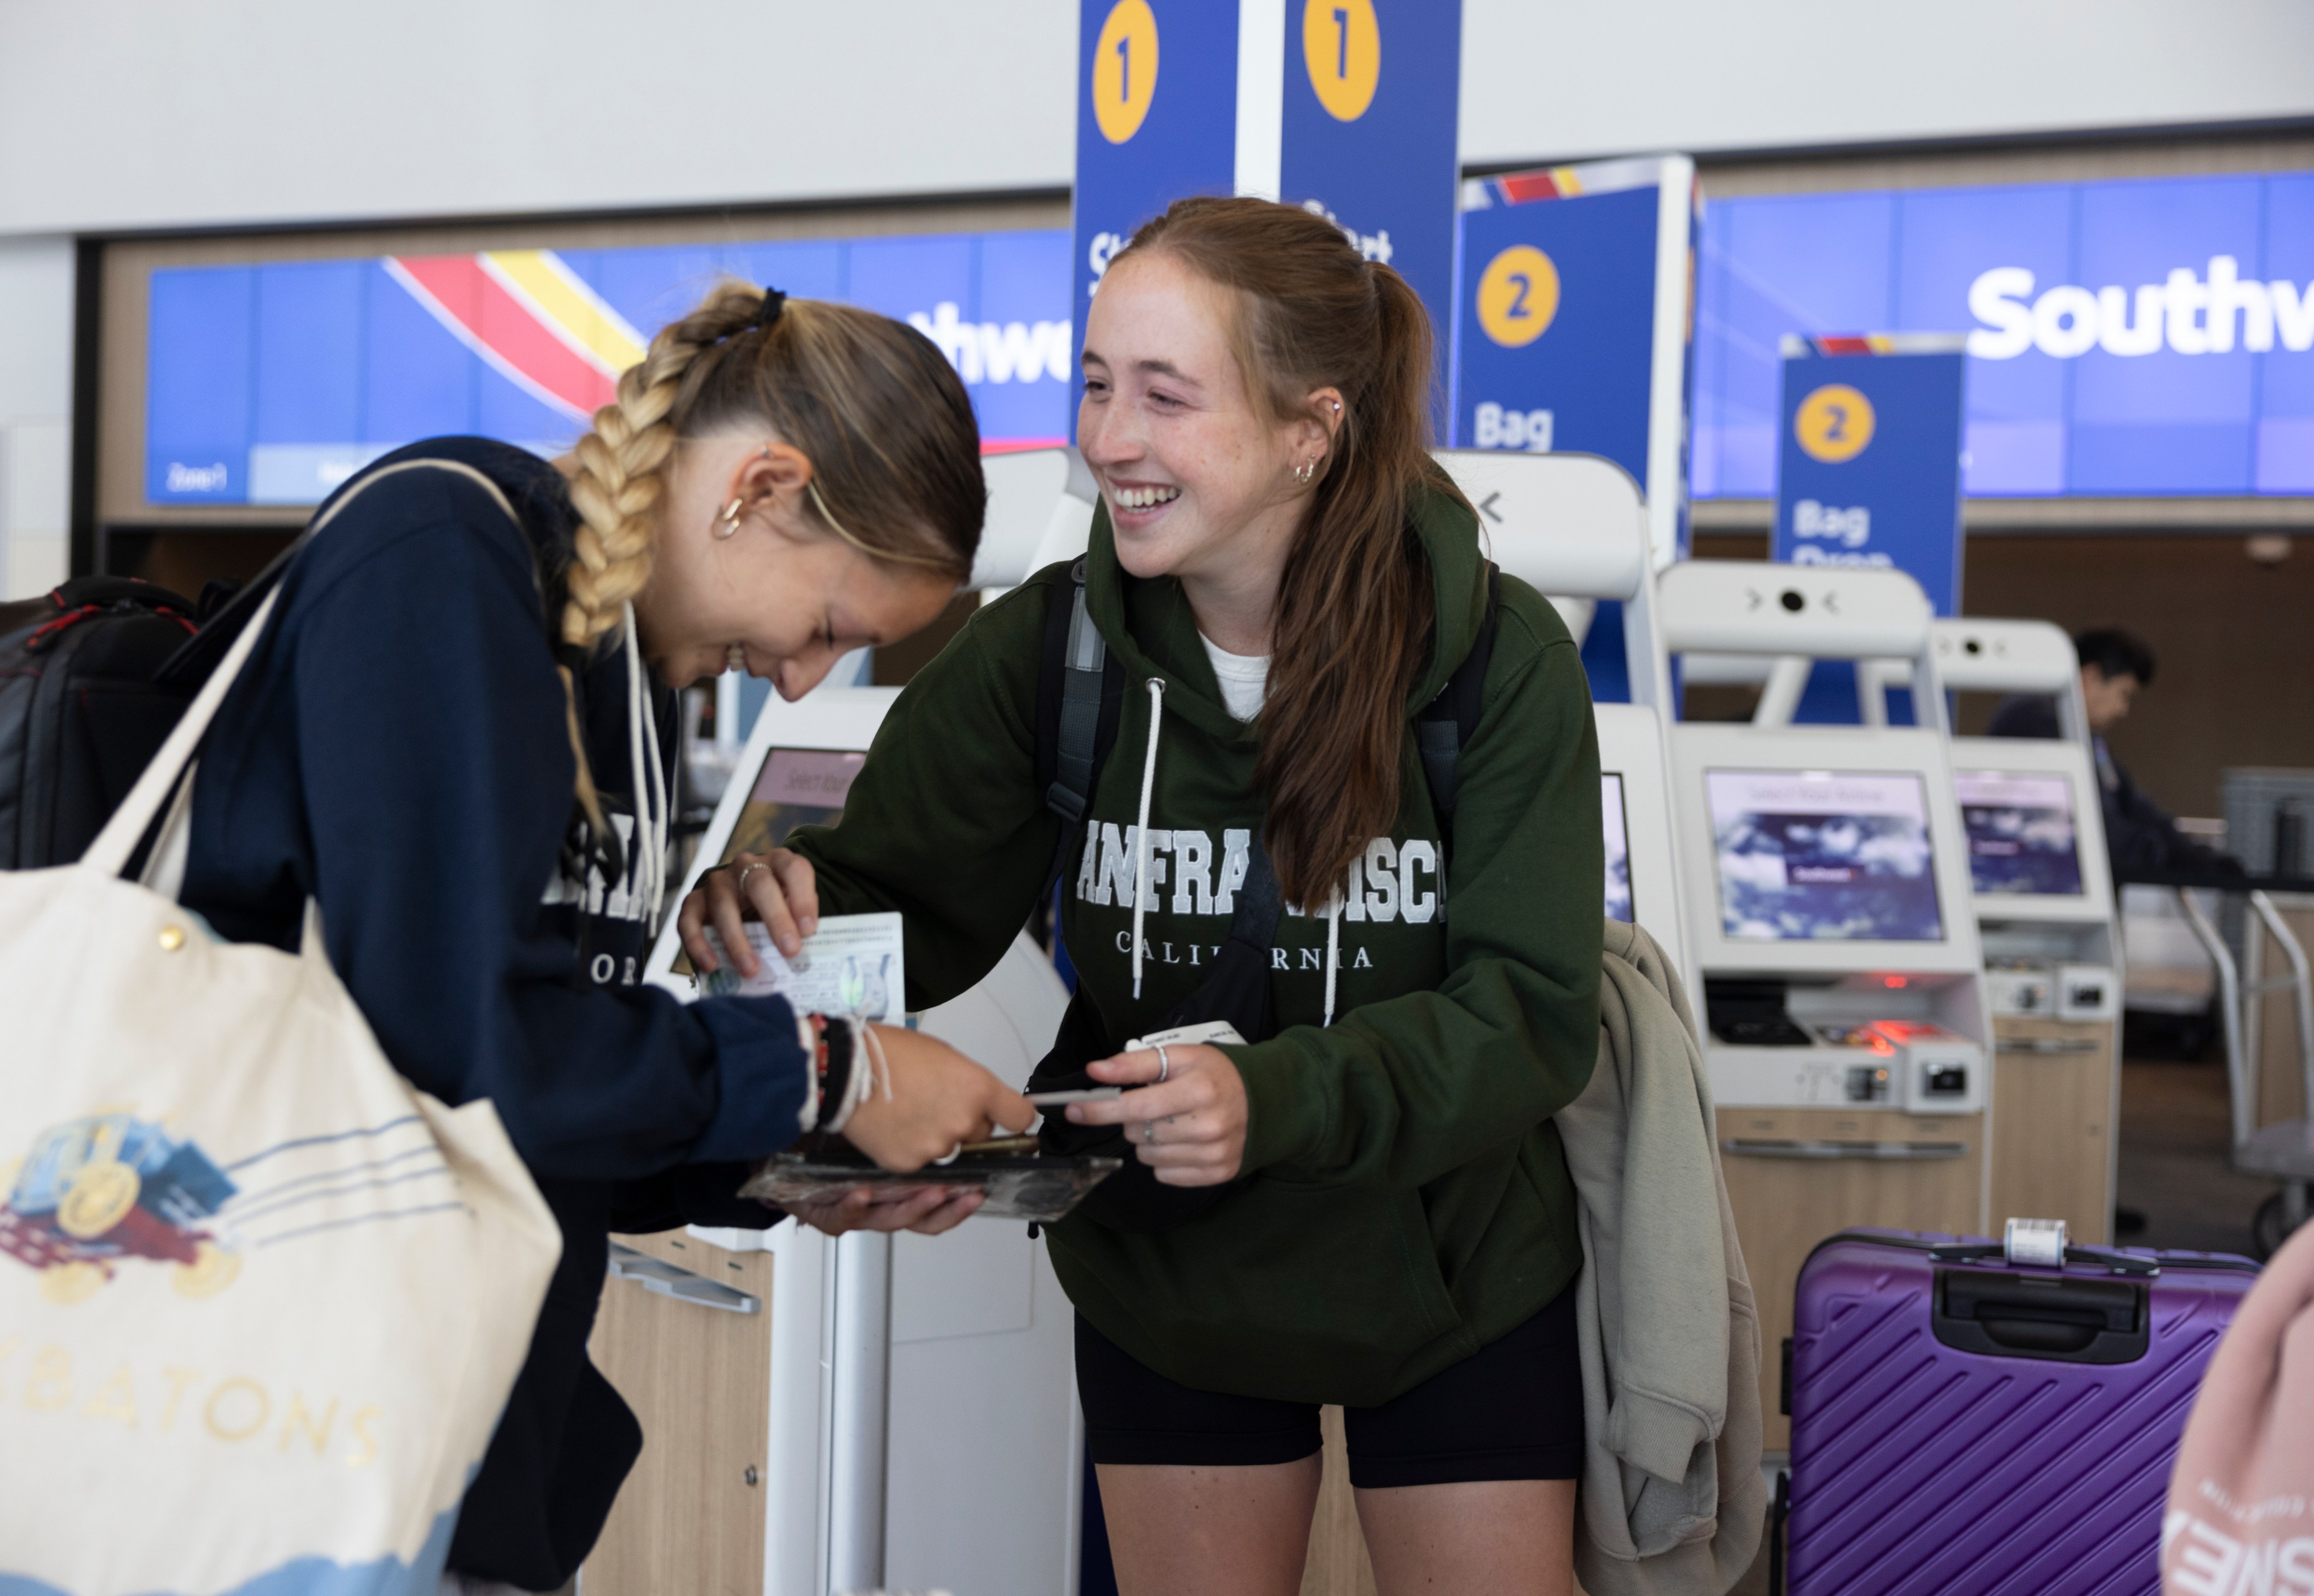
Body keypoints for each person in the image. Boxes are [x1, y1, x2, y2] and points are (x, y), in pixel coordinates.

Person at [684, 197, 1603, 1596]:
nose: (1110, 438)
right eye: (1099, 384)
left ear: (1312, 425)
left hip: (1455, 1271)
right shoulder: (1051, 649)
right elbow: (898, 898)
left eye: (1166, 396)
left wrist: (1273, 1098)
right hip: (1177, 1284)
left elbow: (1529, 1016)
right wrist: (785, 904)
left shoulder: (1496, 654)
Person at [176, 282, 1035, 1592]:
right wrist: (833, 1068)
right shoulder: (447, 558)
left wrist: (784, 1164)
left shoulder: (621, 677)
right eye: (830, 628)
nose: (801, 680)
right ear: (760, 485)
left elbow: (542, 1124)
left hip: (468, 1450)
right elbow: (462, 1051)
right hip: (262, 1438)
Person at [1989, 626, 2237, 878]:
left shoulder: (2085, 734)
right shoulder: (2033, 720)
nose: (2122, 710)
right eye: (2123, 695)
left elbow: (2134, 804)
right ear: (2091, 678)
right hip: (2039, 887)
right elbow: (2095, 832)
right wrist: (2162, 855)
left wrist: (2198, 857)